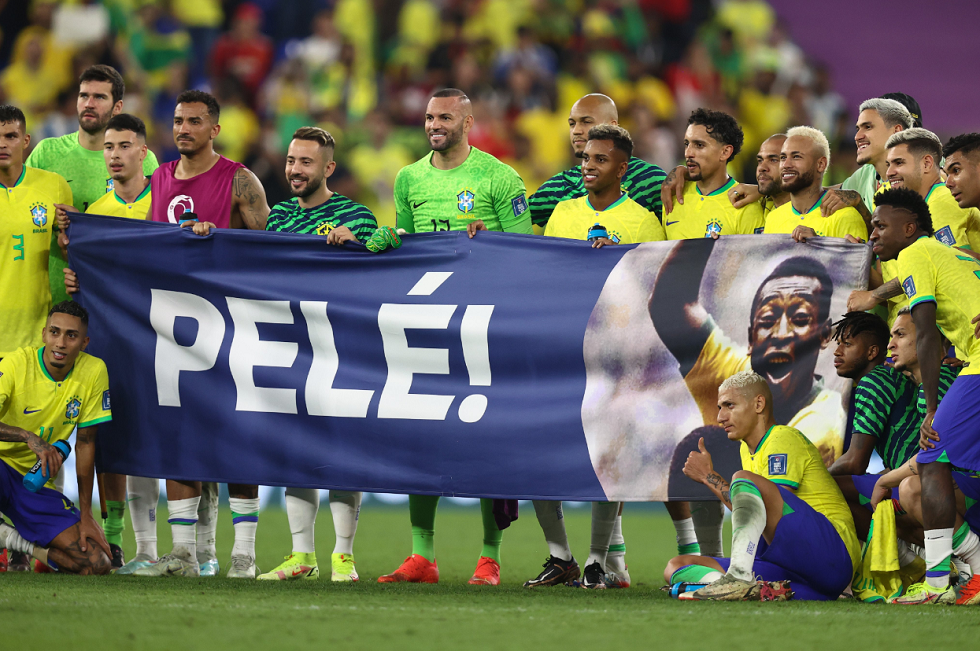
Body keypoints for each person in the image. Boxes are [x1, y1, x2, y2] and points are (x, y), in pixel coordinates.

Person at [382, 88, 530, 587]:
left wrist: (492, 242)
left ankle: (490, 557)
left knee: (486, 440)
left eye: (444, 117)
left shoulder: (499, 177)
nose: (434, 125)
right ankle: (421, 555)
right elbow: (409, 250)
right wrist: (389, 239)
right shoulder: (409, 178)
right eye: (429, 117)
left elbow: (528, 252)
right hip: (429, 325)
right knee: (420, 436)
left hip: (485, 327)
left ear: (467, 123)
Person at [133, 89, 270, 580]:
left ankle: (244, 554)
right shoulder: (159, 178)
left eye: (194, 121)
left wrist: (222, 241)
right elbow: (148, 247)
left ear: (215, 129)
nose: (183, 129)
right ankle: (185, 553)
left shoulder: (240, 180)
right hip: (174, 328)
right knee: (178, 435)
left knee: (238, 436)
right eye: (177, 120)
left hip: (231, 327)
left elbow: (271, 252)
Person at [27, 65, 159, 567]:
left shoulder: (151, 179)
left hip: (125, 319)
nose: (88, 103)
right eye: (83, 95)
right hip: (57, 308)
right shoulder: (47, 155)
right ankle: (44, 529)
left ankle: (122, 536)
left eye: (99, 96)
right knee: (57, 426)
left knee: (114, 429)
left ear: (117, 107)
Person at [525, 125, 664, 590]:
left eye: (600, 159)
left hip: (614, 359)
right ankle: (559, 555)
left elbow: (652, 291)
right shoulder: (562, 213)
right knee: (539, 451)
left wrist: (615, 262)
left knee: (609, 458)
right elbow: (543, 274)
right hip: (560, 352)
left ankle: (596, 561)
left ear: (622, 169)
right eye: (585, 157)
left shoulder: (643, 222)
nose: (588, 165)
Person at [249, 126, 377, 583]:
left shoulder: (356, 215)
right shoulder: (280, 217)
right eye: (291, 160)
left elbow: (386, 256)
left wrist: (357, 242)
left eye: (305, 162)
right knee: (295, 451)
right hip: (293, 349)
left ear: (328, 168)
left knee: (343, 452)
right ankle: (302, 554)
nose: (295, 170)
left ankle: (344, 556)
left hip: (344, 351)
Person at [864, 186, 980, 604]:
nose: (873, 234)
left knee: (931, 457)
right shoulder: (951, 254)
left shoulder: (915, 253)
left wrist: (931, 410)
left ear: (909, 228)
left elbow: (927, 333)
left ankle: (941, 581)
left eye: (881, 225)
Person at [57, 113, 155, 573]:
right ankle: (114, 539)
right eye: (109, 147)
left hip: (168, 339)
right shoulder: (95, 214)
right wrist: (78, 277)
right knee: (112, 435)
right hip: (116, 339)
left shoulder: (165, 202)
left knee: (169, 434)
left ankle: (196, 547)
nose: (114, 155)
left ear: (143, 152)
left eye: (123, 146)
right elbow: (87, 274)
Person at [664, 371, 861, 601]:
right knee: (676, 566)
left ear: (758, 404)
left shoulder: (782, 438)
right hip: (793, 566)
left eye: (729, 405)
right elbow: (757, 513)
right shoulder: (745, 450)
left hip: (832, 555)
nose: (720, 417)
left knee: (743, 478)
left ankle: (737, 579)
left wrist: (709, 477)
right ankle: (759, 589)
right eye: (719, 408)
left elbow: (766, 514)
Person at [650, 241, 845, 461]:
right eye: (768, 320)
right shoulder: (736, 377)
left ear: (824, 335)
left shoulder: (826, 423)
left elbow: (772, 481)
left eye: (799, 319)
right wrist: (707, 232)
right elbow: (671, 306)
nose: (781, 333)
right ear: (751, 337)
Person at [0, 302, 113, 575]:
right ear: (43, 334)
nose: (60, 343)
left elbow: (85, 443)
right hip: (2, 467)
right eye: (54, 332)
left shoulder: (94, 371)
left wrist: (86, 514)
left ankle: (18, 542)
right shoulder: (16, 364)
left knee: (96, 563)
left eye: (71, 335)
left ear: (84, 342)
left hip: (35, 482)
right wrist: (27, 436)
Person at [850, 129, 980, 324]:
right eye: (888, 164)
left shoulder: (942, 201)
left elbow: (948, 268)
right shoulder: (903, 215)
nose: (889, 172)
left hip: (948, 330)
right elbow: (899, 292)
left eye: (899, 163)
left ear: (926, 163)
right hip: (907, 330)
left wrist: (874, 296)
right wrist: (858, 259)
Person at [527, 93, 666, 231]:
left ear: (612, 127)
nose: (576, 131)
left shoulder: (650, 180)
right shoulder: (560, 187)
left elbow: (675, 238)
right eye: (572, 124)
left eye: (586, 122)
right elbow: (515, 222)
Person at [663, 108, 764, 240]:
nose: (688, 153)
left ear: (725, 152)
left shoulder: (745, 206)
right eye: (687, 144)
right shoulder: (673, 195)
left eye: (699, 145)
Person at [763, 126, 867, 242]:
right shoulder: (773, 218)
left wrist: (818, 243)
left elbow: (858, 254)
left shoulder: (846, 217)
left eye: (796, 157)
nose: (785, 165)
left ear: (821, 164)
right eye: (783, 157)